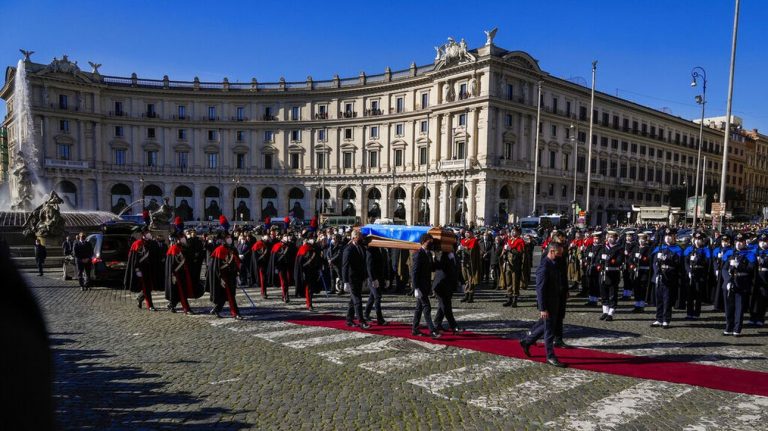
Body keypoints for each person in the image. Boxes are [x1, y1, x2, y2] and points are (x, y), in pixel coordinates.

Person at [519, 242, 567, 368]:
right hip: (548, 304)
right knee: (549, 331)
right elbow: (540, 289)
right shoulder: (544, 266)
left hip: (555, 302)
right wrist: (543, 308)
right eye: (559, 253)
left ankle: (526, 341)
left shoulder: (554, 264)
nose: (561, 255)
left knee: (545, 326)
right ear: (552, 251)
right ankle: (550, 356)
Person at [722, 233, 755, 336]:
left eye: (741, 242)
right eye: (737, 241)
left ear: (745, 243)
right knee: (728, 307)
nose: (738, 244)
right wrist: (727, 280)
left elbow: (750, 269)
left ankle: (737, 328)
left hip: (741, 283)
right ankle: (728, 327)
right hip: (729, 284)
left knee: (739, 308)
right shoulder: (731, 254)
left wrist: (739, 265)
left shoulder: (750, 254)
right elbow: (724, 269)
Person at [650, 228, 683, 328]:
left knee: (667, 299)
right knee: (659, 299)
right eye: (666, 236)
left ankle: (666, 319)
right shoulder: (660, 248)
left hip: (670, 277)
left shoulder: (677, 249)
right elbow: (654, 263)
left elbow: (678, 264)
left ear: (674, 237)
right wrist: (656, 272)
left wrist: (667, 259)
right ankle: (659, 318)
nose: (667, 238)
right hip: (659, 277)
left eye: (670, 236)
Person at [205, 233, 243, 319]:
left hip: (231, 276)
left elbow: (235, 263)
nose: (230, 239)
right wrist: (220, 278)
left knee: (224, 295)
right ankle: (235, 313)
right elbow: (215, 266)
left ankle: (216, 310)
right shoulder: (219, 250)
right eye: (227, 237)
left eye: (230, 237)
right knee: (230, 296)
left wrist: (237, 274)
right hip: (223, 277)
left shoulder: (233, 249)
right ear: (224, 240)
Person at [411, 233, 441, 338]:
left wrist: (436, 257)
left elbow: (432, 268)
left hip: (426, 285)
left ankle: (415, 329)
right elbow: (414, 272)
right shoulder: (418, 254)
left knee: (419, 308)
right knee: (426, 307)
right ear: (424, 241)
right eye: (429, 241)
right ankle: (432, 330)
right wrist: (415, 288)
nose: (431, 243)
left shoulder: (428, 253)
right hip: (420, 286)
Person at [433, 242, 464, 334]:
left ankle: (437, 324)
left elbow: (458, 270)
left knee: (443, 306)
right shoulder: (441, 254)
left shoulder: (454, 255)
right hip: (440, 285)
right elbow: (438, 266)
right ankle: (454, 326)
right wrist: (442, 257)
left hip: (450, 285)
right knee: (446, 306)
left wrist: (462, 282)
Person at [164, 233, 199, 314]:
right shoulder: (174, 248)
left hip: (183, 272)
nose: (184, 239)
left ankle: (171, 305)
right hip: (177, 274)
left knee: (178, 291)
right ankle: (187, 309)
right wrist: (173, 275)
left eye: (184, 237)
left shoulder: (182, 247)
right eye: (182, 238)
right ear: (177, 240)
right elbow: (172, 263)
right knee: (181, 291)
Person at [342, 230, 370, 329]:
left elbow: (363, 263)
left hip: (359, 277)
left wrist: (365, 276)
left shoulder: (361, 247)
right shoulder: (348, 249)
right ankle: (362, 321)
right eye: (359, 236)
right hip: (351, 279)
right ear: (353, 237)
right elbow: (345, 266)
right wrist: (345, 281)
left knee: (353, 300)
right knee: (358, 300)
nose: (361, 238)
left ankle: (349, 319)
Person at [124, 229, 157, 310]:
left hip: (149, 268)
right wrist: (137, 270)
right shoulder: (138, 243)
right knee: (146, 287)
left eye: (149, 233)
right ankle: (150, 305)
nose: (149, 234)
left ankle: (140, 298)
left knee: (149, 287)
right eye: (147, 233)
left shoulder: (151, 243)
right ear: (143, 234)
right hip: (141, 268)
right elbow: (135, 258)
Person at [597, 231, 624, 321]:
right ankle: (605, 311)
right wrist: (600, 262)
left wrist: (611, 260)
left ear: (616, 238)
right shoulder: (603, 247)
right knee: (603, 293)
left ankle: (611, 313)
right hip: (603, 273)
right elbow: (598, 258)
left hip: (613, 273)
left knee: (612, 294)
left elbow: (619, 260)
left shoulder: (619, 248)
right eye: (609, 236)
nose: (610, 238)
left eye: (612, 237)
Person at [684, 231, 711, 320]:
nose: (697, 241)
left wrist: (698, 260)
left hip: (700, 273)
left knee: (698, 294)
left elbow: (708, 262)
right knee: (689, 295)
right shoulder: (689, 249)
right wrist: (688, 271)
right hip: (691, 274)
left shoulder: (705, 250)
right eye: (696, 239)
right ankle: (689, 313)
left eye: (699, 239)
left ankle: (697, 313)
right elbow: (685, 262)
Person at [364, 244, 388, 325]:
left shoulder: (381, 249)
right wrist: (373, 279)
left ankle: (366, 314)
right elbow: (369, 266)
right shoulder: (370, 250)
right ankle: (380, 319)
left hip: (379, 277)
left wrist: (386, 277)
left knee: (372, 297)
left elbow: (384, 264)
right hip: (373, 278)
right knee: (377, 297)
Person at [501, 227, 525, 307]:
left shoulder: (520, 241)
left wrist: (511, 249)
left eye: (514, 231)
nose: (512, 232)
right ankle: (509, 298)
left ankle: (515, 299)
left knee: (515, 281)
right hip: (508, 263)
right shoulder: (509, 240)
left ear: (518, 232)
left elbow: (520, 253)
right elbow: (506, 250)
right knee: (508, 281)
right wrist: (504, 251)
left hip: (515, 264)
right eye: (512, 231)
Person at [629, 232, 653, 312]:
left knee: (642, 288)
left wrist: (643, 258)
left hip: (644, 271)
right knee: (636, 288)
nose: (641, 241)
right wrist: (632, 265)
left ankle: (641, 305)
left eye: (643, 239)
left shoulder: (648, 248)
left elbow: (649, 258)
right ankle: (636, 304)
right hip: (636, 271)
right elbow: (630, 258)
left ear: (646, 240)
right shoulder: (636, 248)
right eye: (640, 239)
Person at [749, 233, 768, 327]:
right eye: (761, 241)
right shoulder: (754, 251)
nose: (763, 243)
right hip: (755, 277)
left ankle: (760, 318)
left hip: (765, 277)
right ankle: (752, 317)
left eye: (765, 241)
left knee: (763, 299)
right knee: (753, 298)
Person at [459, 231, 481, 303]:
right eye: (466, 233)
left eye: (468, 233)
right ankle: (466, 294)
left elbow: (471, 252)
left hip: (470, 263)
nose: (466, 234)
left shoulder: (474, 241)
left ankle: (470, 295)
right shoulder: (463, 240)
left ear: (471, 234)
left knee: (470, 279)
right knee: (465, 279)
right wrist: (459, 250)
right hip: (463, 262)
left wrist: (464, 248)